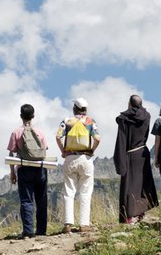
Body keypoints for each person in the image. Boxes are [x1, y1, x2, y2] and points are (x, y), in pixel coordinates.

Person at [55, 97, 100, 233]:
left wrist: (63, 151)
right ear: (86, 109)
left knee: (69, 192)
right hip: (85, 159)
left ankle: (68, 224)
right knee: (85, 192)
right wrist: (92, 150)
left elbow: (58, 136)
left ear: (74, 108)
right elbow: (98, 138)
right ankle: (84, 224)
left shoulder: (67, 121)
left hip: (70, 158)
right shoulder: (90, 122)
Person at [114, 95, 158, 223]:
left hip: (130, 154)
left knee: (129, 186)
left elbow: (121, 140)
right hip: (143, 152)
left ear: (129, 104)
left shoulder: (124, 119)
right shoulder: (147, 116)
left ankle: (128, 217)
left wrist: (119, 161)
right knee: (142, 184)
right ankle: (140, 213)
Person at [7, 104, 49, 238]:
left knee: (26, 200)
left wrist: (12, 172)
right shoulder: (40, 132)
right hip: (40, 169)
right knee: (41, 200)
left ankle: (28, 231)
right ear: (33, 116)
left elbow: (11, 154)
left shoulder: (16, 133)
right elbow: (45, 149)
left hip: (24, 169)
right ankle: (41, 231)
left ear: (21, 116)